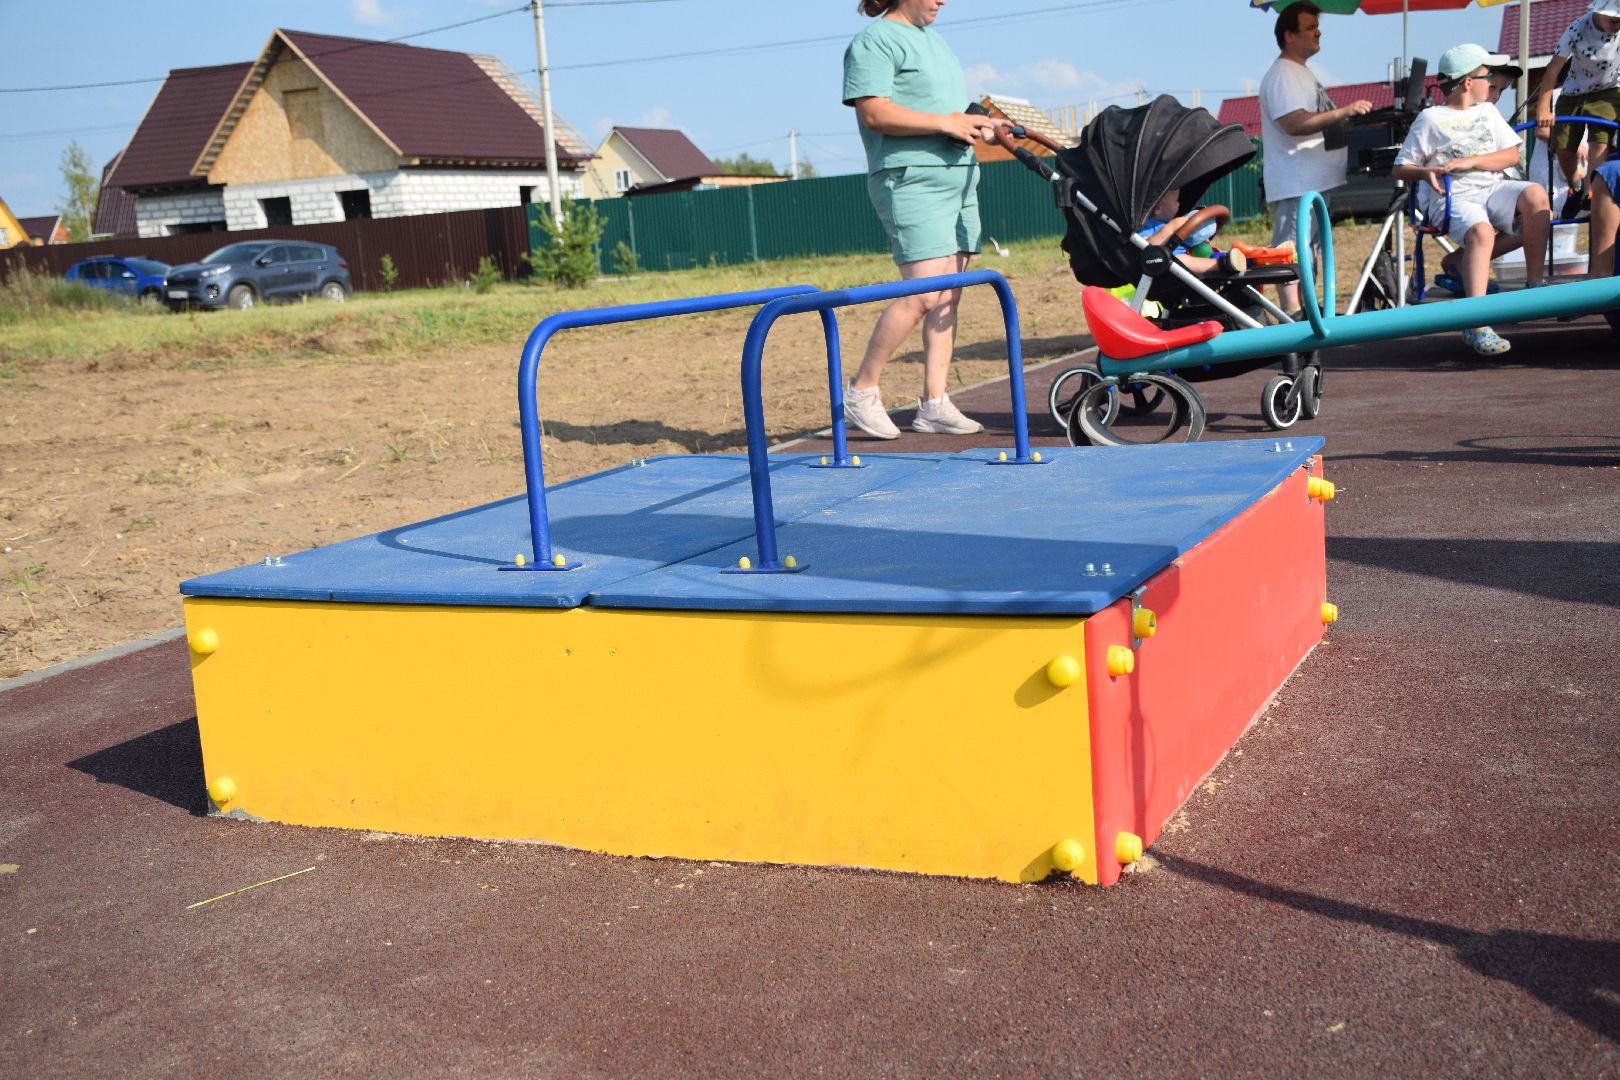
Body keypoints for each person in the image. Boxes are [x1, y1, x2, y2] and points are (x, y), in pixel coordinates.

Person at [841, 0, 1011, 440]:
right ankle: (861, 390)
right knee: (922, 293)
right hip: (912, 180)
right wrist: (946, 123)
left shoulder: (936, 43)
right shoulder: (874, 40)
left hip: (959, 179)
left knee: (948, 296)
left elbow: (947, 118)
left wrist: (976, 127)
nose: (943, 0)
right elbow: (874, 113)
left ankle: (934, 403)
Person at [1393, 43, 1551, 356]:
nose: (1492, 83)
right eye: (1487, 76)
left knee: (1535, 196)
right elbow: (1400, 167)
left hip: (1489, 188)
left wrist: (1471, 162)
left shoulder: (1488, 112)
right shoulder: (1430, 119)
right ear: (1468, 82)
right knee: (1480, 232)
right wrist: (1425, 174)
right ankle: (1477, 322)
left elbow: (1510, 154)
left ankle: (1534, 286)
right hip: (1450, 197)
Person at [1258, 0, 1373, 311]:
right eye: (1310, 27)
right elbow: (1294, 123)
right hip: (1298, 184)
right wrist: (1344, 112)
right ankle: (1293, 316)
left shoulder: (1300, 72)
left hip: (1315, 181)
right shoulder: (1283, 74)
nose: (1318, 32)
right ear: (1289, 36)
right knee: (1293, 251)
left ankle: (1307, 312)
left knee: (1308, 251)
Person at [1534, 0, 1620, 218]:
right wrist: (1543, 109)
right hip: (1573, 91)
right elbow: (1553, 70)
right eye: (1613, 19)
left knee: (1599, 141)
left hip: (1608, 89)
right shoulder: (1578, 28)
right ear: (1599, 12)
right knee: (1563, 146)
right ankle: (1576, 186)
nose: (1617, 24)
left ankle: (1591, 194)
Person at [1136, 189, 1249, 275]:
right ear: (1158, 209)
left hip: (1192, 253)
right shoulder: (1147, 226)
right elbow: (1145, 247)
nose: (1179, 204)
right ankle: (1222, 264)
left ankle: (1235, 257)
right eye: (1176, 200)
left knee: (1206, 253)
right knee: (1180, 261)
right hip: (1166, 264)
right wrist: (1171, 227)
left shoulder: (1167, 222)